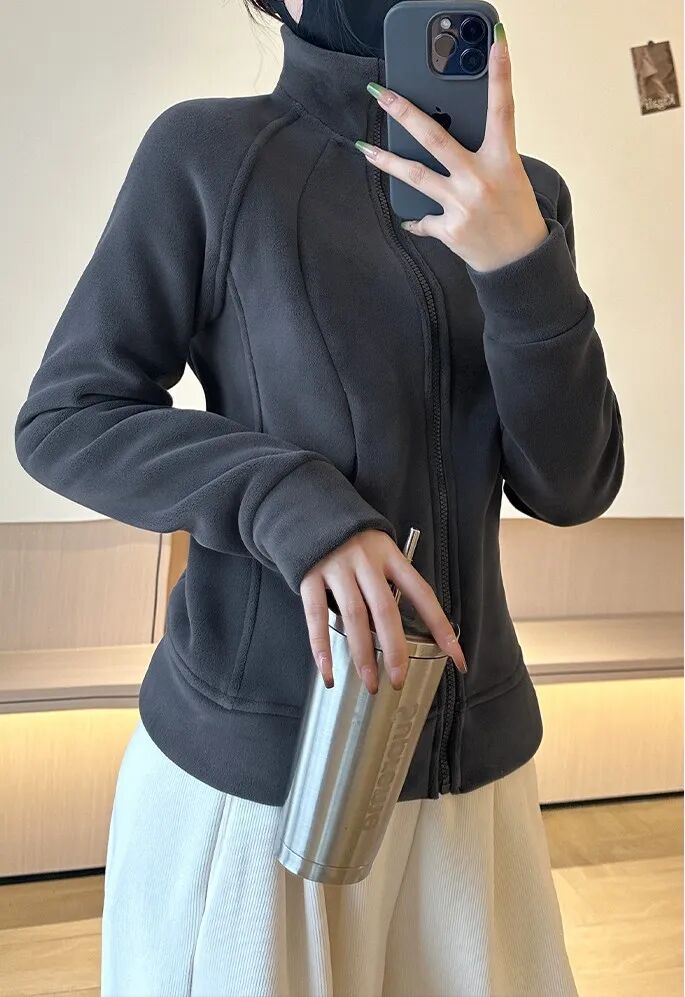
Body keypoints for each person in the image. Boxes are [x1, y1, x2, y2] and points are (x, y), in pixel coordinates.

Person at [14, 0, 624, 993]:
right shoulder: (209, 155)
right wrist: (291, 501)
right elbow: (67, 417)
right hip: (260, 782)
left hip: (471, 781)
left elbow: (571, 484)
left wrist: (521, 264)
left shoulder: (527, 198)